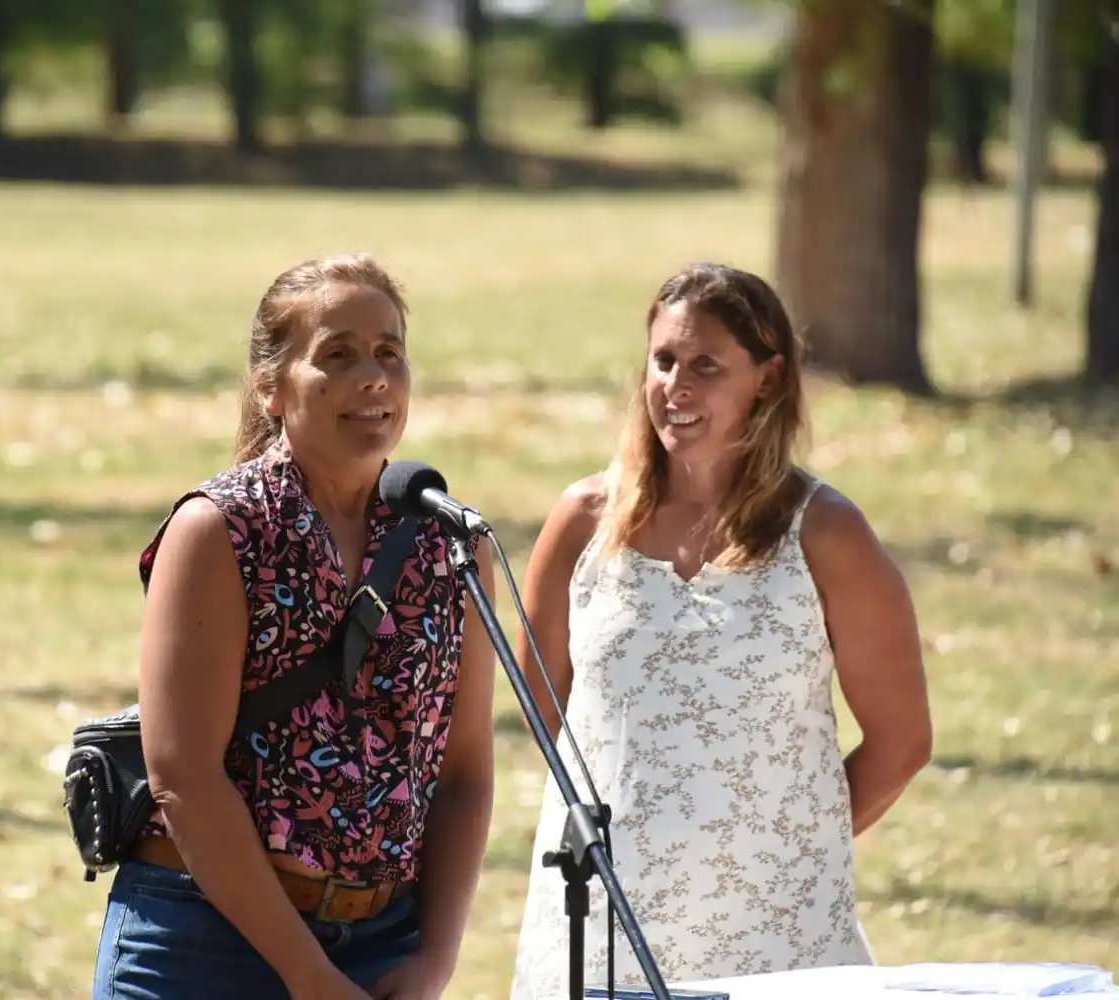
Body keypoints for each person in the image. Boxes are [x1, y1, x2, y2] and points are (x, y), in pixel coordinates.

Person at [507, 262, 934, 997]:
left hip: (777, 940)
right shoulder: (583, 522)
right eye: (664, 361)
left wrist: (788, 853)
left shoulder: (826, 534)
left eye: (707, 365)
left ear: (767, 379)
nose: (676, 386)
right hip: (599, 932)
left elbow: (902, 741)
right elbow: (545, 712)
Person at [92, 253, 498, 1000]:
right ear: (270, 386)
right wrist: (306, 974)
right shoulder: (219, 529)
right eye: (337, 356)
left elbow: (465, 774)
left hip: (383, 947)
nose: (373, 378)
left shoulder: (448, 541)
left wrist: (435, 961)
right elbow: (183, 775)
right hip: (203, 943)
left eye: (389, 353)